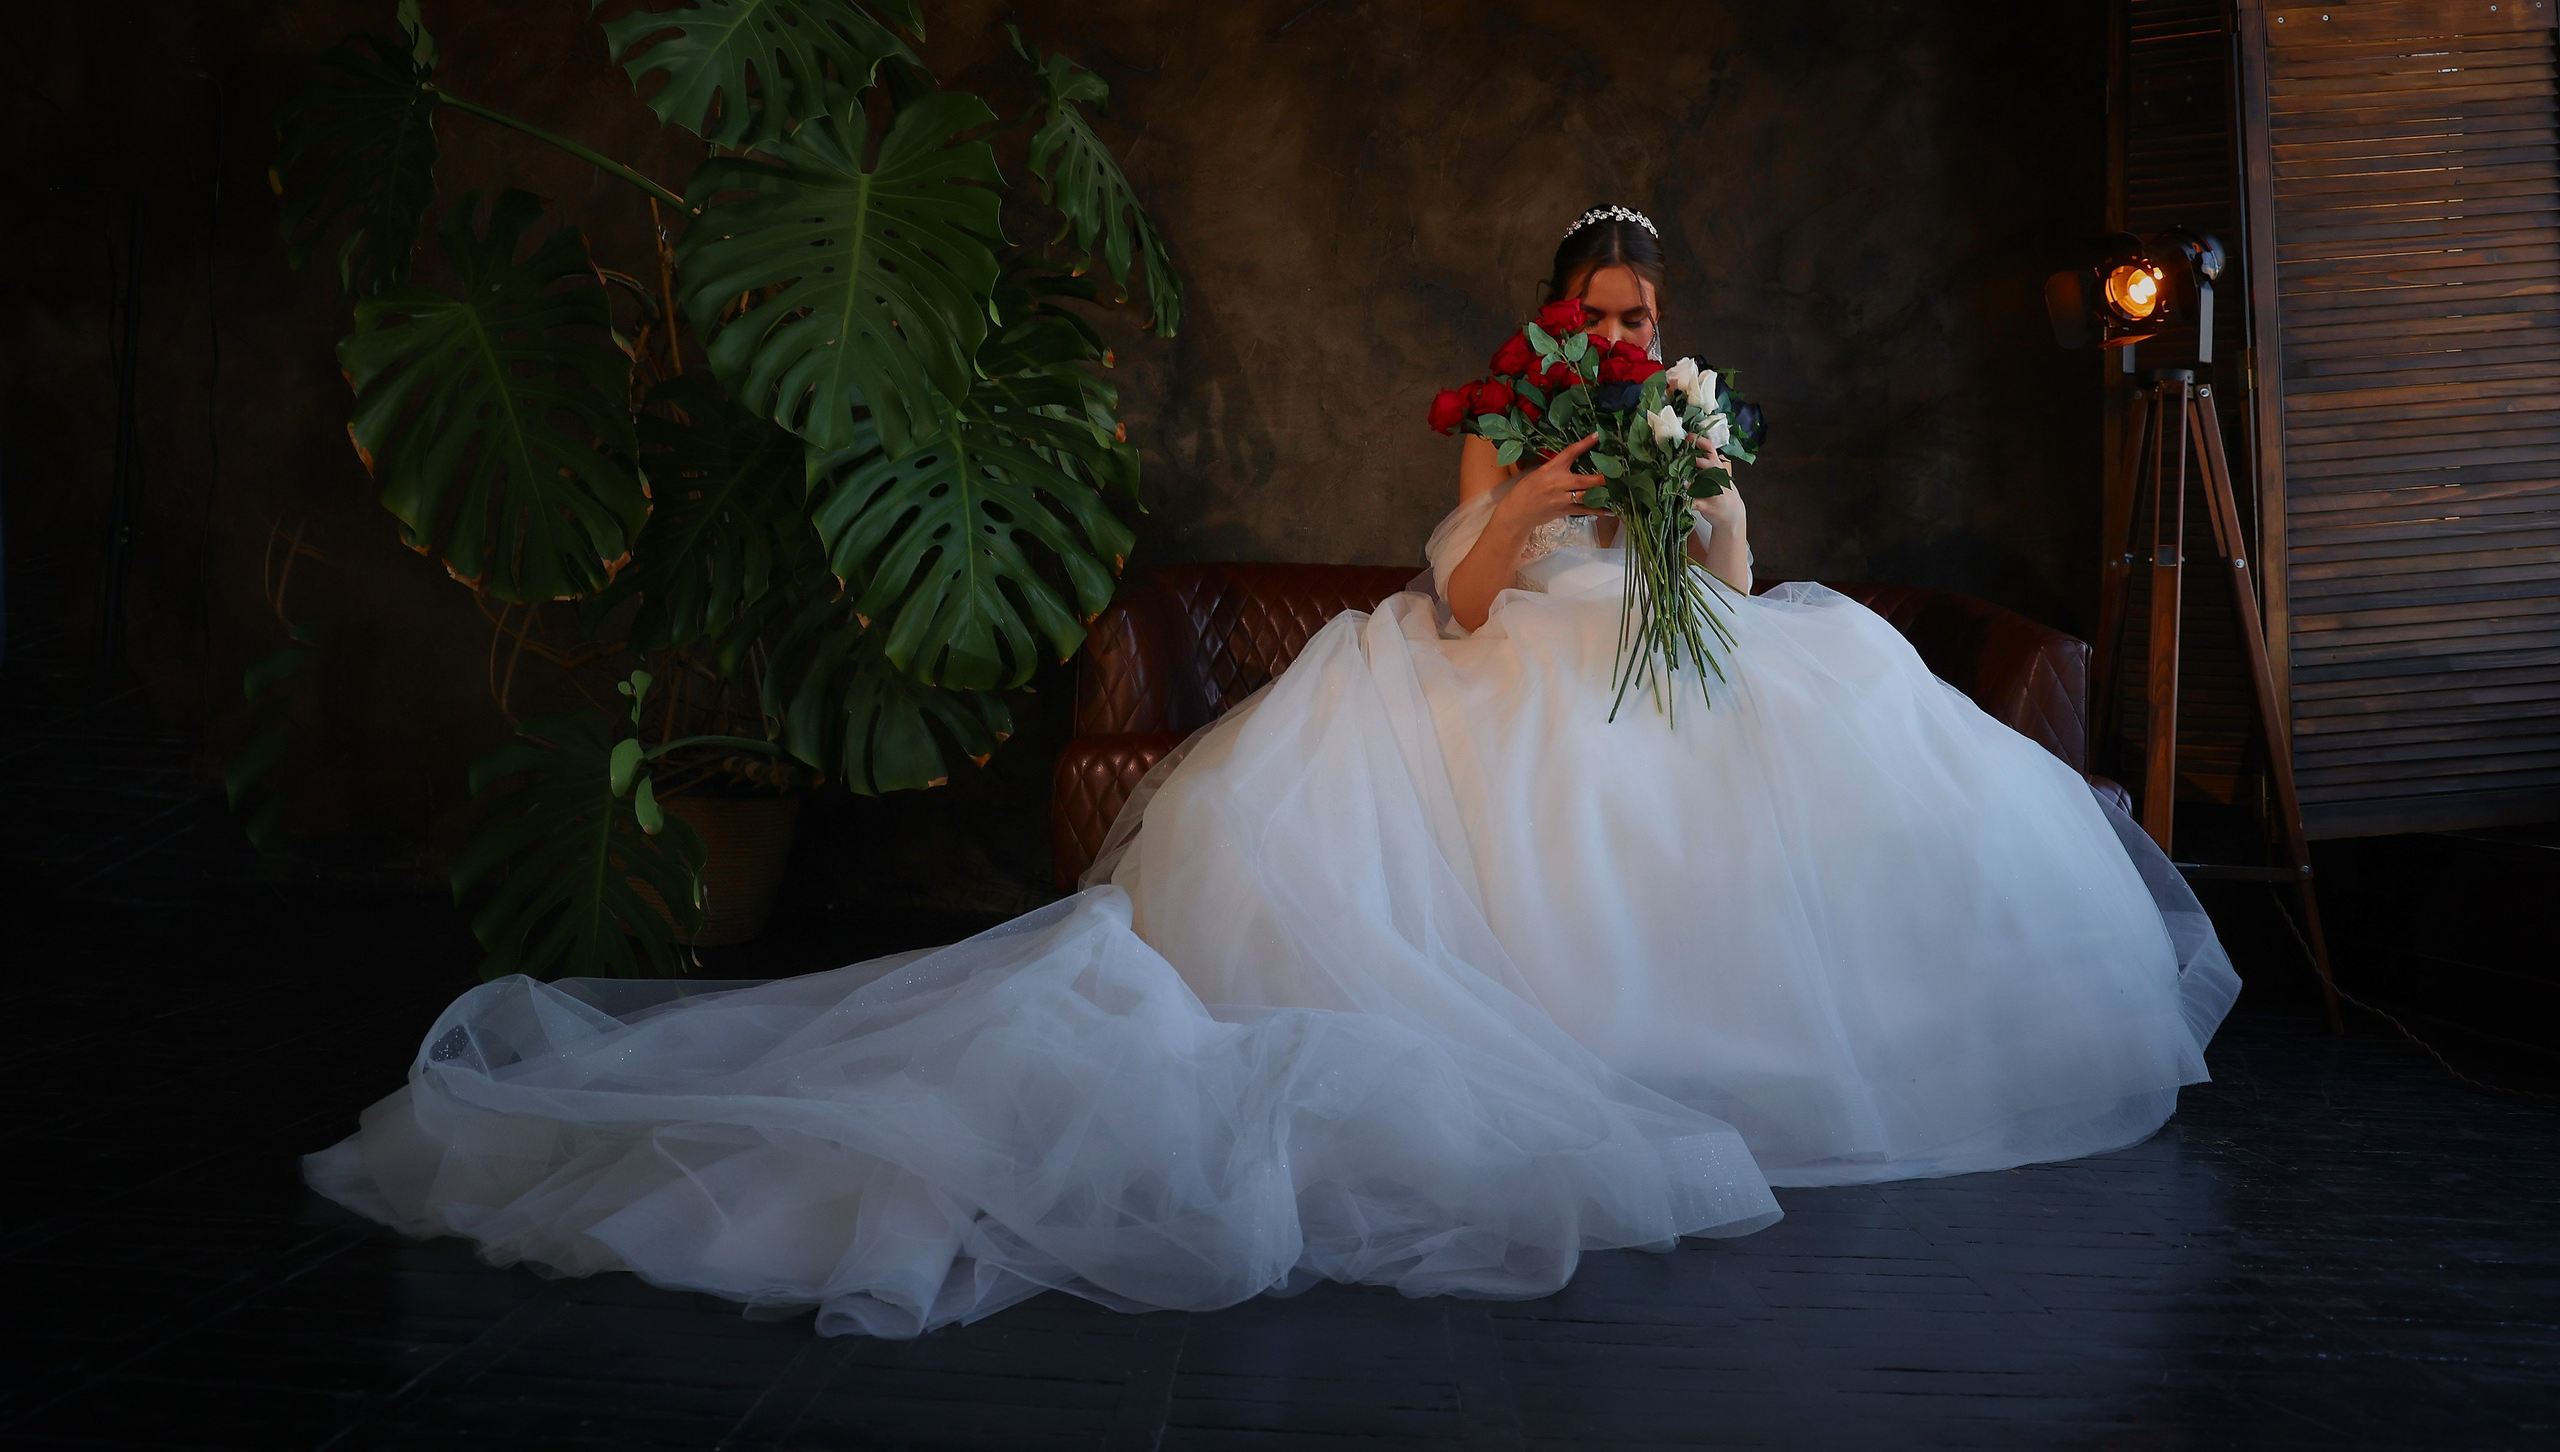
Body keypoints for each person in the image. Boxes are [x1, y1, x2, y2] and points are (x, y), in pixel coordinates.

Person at [307, 204, 2238, 1339]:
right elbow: (1468, 598)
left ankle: (1747, 1048)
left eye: (1645, 316)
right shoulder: (1511, 419)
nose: (1624, 332)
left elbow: (1730, 589)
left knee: (1826, 725)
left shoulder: (1691, 407)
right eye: (1600, 311)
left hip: (1679, 662)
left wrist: (1692, 474)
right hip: (1507, 663)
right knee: (1512, 778)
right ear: (1558, 311)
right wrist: (1566, 472)